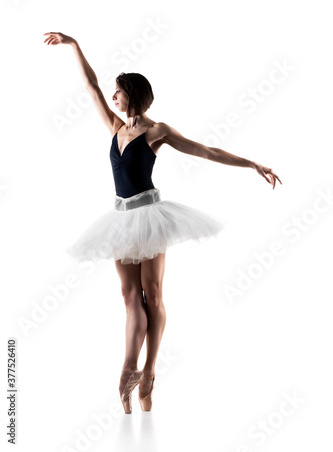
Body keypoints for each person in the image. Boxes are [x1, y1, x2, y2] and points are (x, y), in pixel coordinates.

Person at [43, 32, 282, 413]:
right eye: (114, 93)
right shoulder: (115, 127)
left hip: (151, 217)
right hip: (120, 219)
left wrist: (252, 164)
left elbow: (205, 150)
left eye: (118, 92)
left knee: (152, 294)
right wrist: (73, 45)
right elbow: (90, 87)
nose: (114, 97)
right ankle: (127, 371)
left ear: (132, 94)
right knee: (129, 298)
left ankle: (149, 371)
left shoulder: (157, 132)